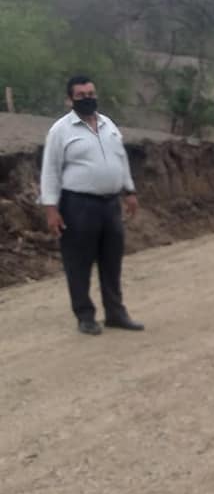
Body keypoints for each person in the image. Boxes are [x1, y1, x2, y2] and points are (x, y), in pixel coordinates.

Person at [39, 75, 144, 335]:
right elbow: (50, 171)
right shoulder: (60, 130)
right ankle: (85, 316)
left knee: (112, 260)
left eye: (91, 94)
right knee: (79, 262)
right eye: (81, 96)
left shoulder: (108, 125)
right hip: (78, 205)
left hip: (110, 204)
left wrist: (129, 190)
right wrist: (51, 209)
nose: (88, 99)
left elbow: (121, 159)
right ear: (69, 100)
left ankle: (115, 313)